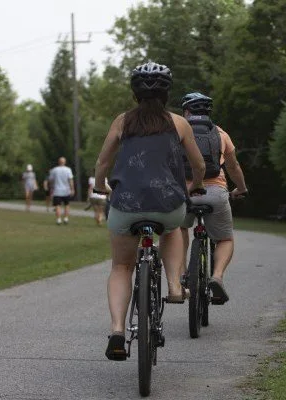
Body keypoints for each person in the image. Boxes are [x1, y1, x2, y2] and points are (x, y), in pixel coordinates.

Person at [93, 62, 206, 361]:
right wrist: (195, 185)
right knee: (173, 228)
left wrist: (100, 186)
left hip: (126, 204)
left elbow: (103, 162)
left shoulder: (122, 122)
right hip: (167, 203)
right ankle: (174, 285)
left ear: (135, 93)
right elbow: (198, 165)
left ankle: (118, 331)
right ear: (167, 94)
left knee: (121, 267)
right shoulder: (179, 123)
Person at [178, 92, 248, 305]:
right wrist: (241, 189)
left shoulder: (177, 132)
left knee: (178, 229)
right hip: (215, 192)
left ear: (186, 112)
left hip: (184, 193)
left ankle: (182, 274)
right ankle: (216, 276)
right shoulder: (220, 134)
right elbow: (233, 167)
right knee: (225, 239)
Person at [48, 157, 75, 225]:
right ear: (65, 162)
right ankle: (66, 218)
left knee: (57, 205)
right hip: (66, 190)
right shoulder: (68, 170)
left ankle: (59, 219)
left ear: (58, 162)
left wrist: (51, 189)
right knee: (67, 205)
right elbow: (70, 180)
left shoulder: (54, 170)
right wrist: (72, 189)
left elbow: (51, 181)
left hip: (57, 190)